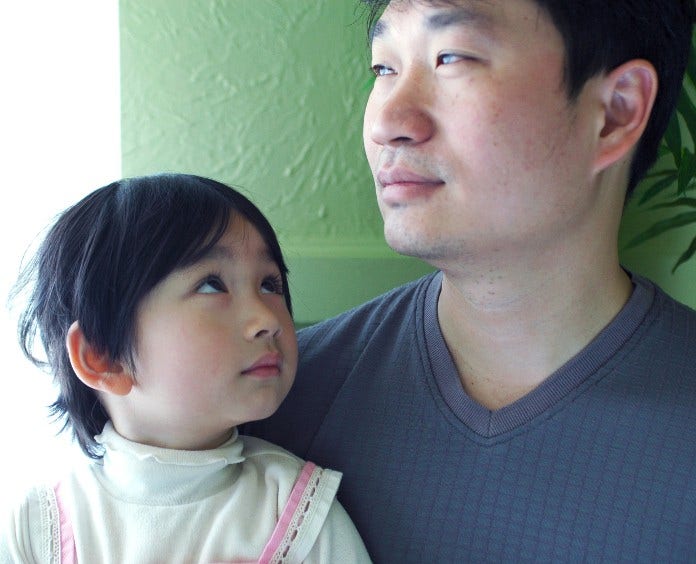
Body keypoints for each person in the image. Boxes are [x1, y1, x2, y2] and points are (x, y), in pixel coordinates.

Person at [246, 0, 696, 561]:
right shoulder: (266, 404)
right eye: (384, 68)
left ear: (615, 112)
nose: (388, 122)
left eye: (451, 57)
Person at [1, 174, 370, 563]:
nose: (267, 318)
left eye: (270, 284)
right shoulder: (36, 527)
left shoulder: (297, 513)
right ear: (103, 356)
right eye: (212, 285)